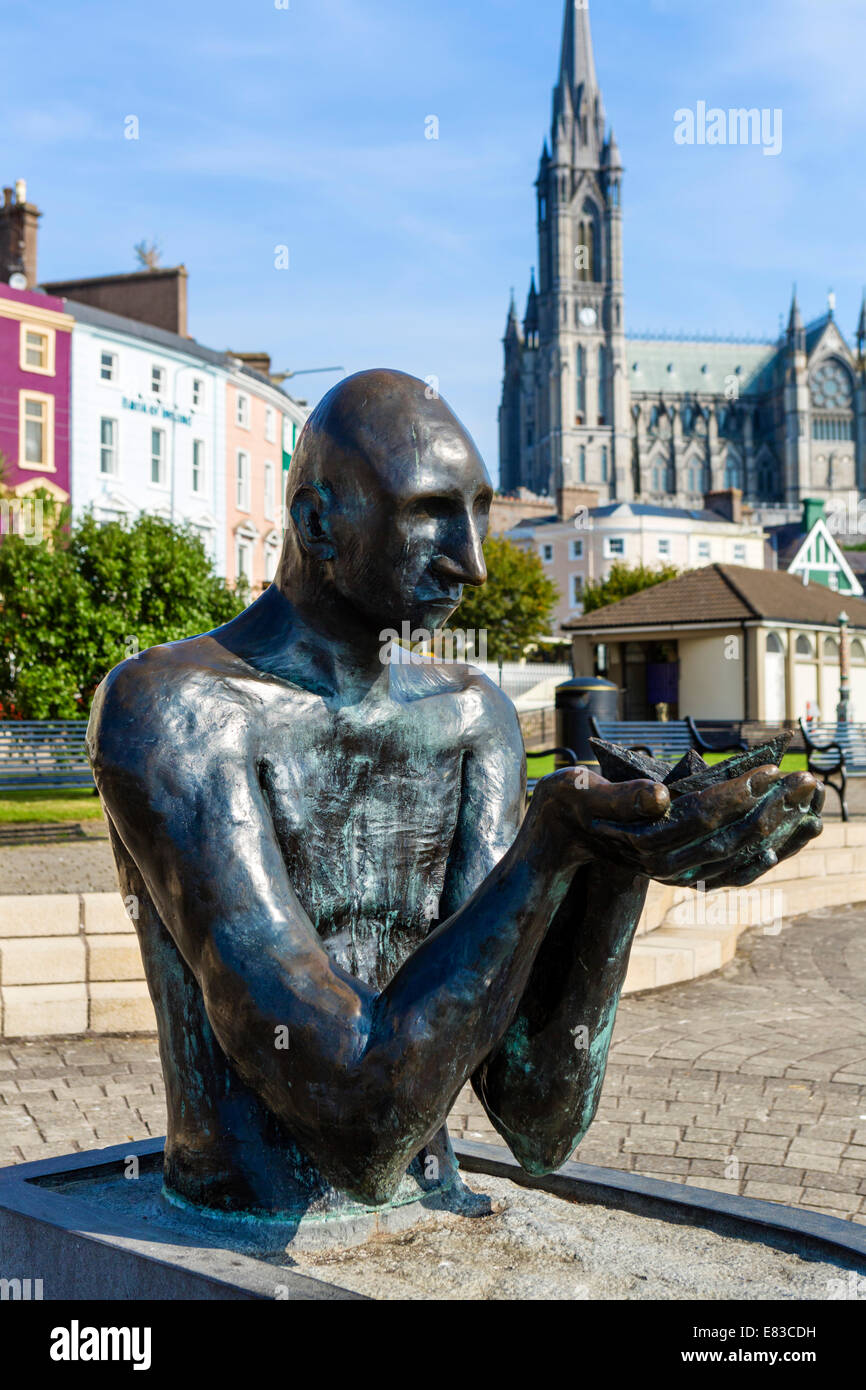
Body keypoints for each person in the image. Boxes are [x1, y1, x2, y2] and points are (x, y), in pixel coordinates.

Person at [88, 369, 823, 1214]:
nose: (471, 562)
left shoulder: (473, 718)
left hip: (432, 1197)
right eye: (429, 512)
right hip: (248, 1208)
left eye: (478, 511)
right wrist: (552, 841)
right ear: (316, 522)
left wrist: (617, 858)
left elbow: (539, 1121)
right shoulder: (175, 710)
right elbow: (359, 1130)